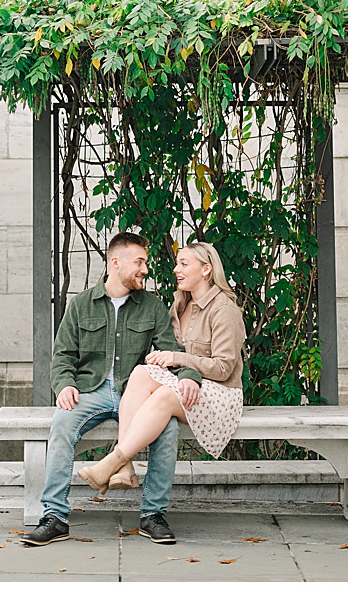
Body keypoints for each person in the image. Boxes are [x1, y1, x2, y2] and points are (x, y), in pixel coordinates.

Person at [23, 231, 200, 548]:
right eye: (139, 262)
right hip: (90, 392)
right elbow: (63, 355)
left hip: (137, 394)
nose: (145, 269)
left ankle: (152, 516)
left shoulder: (152, 307)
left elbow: (173, 352)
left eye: (144, 262)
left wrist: (189, 376)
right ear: (115, 263)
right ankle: (55, 517)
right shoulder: (82, 305)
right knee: (62, 424)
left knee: (168, 430)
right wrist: (64, 385)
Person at [83, 241, 246, 486]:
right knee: (140, 373)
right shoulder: (180, 305)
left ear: (206, 270)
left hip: (220, 394)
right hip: (192, 389)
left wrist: (177, 359)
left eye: (184, 264)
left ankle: (112, 461)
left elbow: (223, 368)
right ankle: (125, 468)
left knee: (162, 397)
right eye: (177, 263)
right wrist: (172, 365)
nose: (176, 270)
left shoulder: (224, 310)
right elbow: (170, 350)